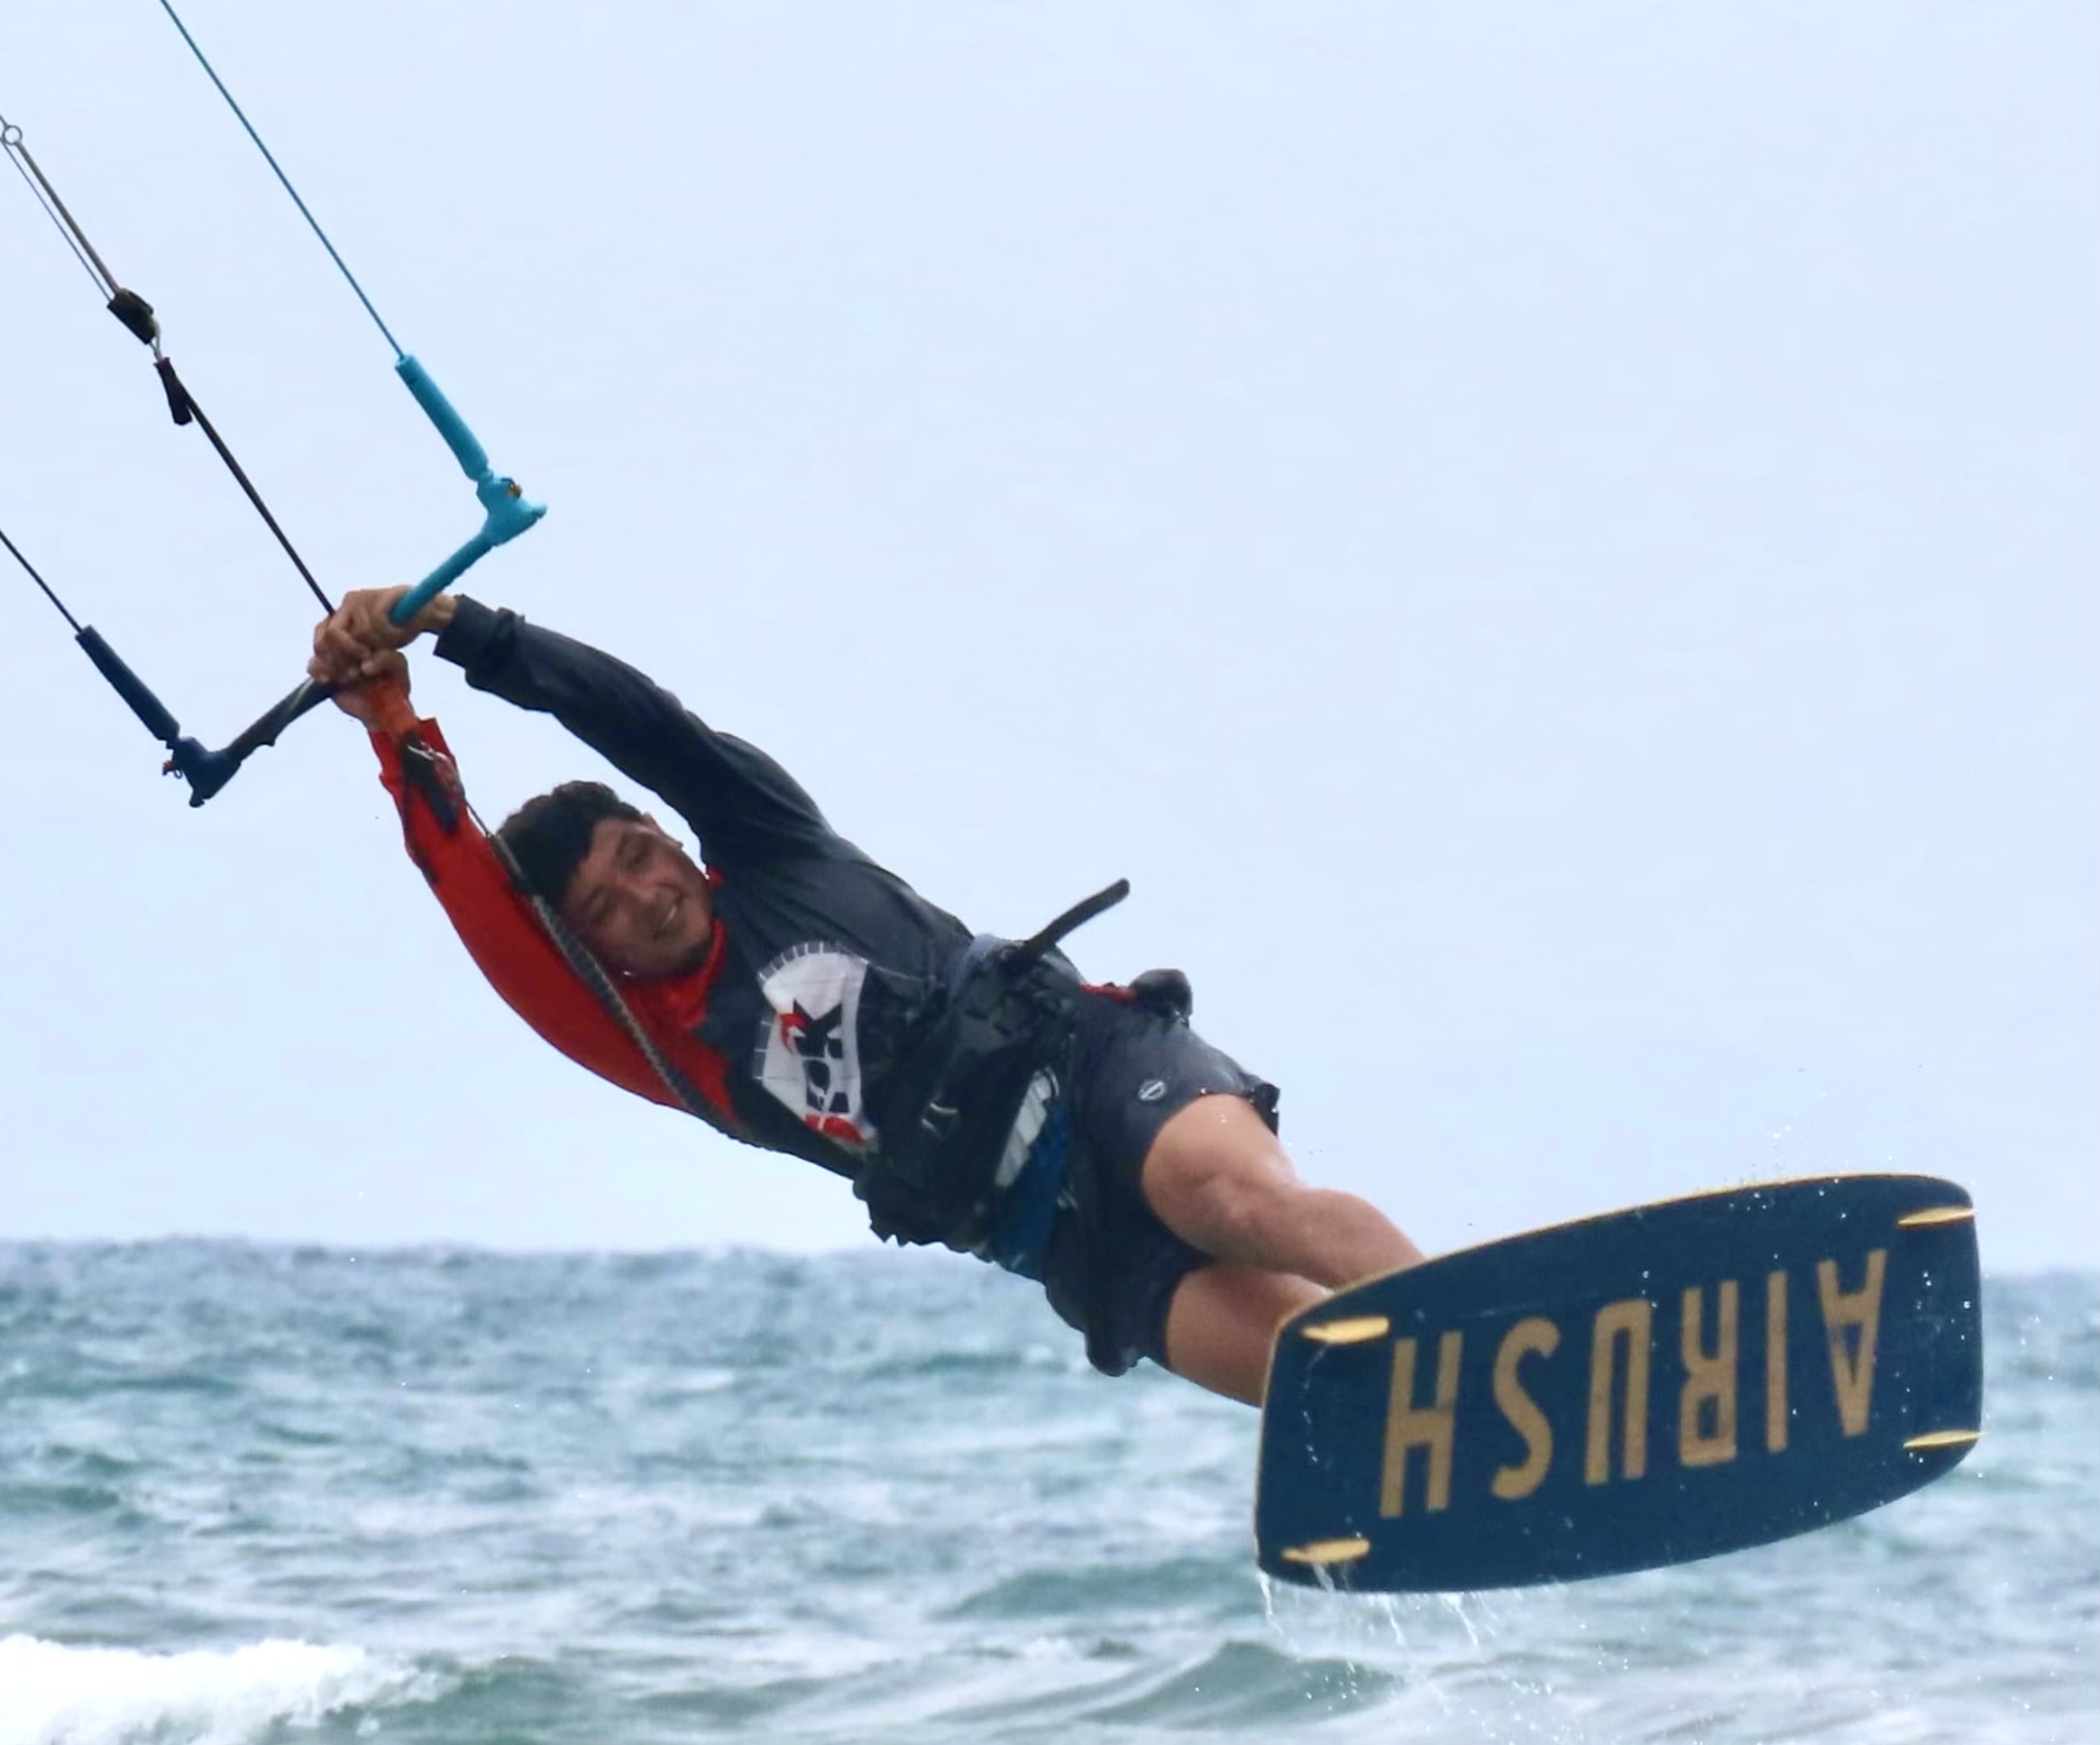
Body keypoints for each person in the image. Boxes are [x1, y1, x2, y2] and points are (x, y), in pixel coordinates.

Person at [310, 583, 1406, 1406]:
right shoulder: (662, 1047)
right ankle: (1450, 1441)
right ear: (587, 951)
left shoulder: (768, 845)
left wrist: (461, 627)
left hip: (1093, 1070)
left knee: (1234, 1203)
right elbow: (470, 887)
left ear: (667, 834)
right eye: (604, 906)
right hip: (1046, 1232)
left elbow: (647, 726)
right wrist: (389, 718)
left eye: (640, 855)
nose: (645, 896)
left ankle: (1472, 1325)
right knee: (1306, 1376)